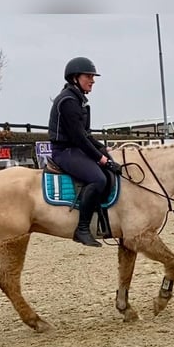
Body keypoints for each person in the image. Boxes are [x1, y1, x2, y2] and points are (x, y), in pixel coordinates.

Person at [48, 56, 122, 247]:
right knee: (98, 179)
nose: (93, 80)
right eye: (88, 76)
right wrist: (102, 160)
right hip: (64, 151)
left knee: (108, 168)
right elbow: (79, 138)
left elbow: (86, 135)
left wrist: (103, 150)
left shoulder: (79, 100)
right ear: (75, 78)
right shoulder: (68, 101)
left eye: (93, 76)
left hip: (74, 148)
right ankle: (82, 229)